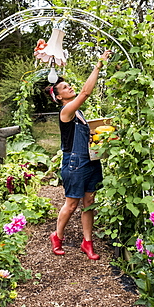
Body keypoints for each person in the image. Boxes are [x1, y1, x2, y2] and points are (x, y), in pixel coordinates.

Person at [45, 50, 112, 260]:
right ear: (59, 97)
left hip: (90, 161)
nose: (69, 87)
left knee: (89, 201)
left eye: (68, 85)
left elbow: (86, 133)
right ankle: (57, 236)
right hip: (74, 163)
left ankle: (87, 242)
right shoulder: (66, 111)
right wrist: (98, 65)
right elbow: (85, 93)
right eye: (64, 87)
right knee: (72, 203)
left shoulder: (79, 113)